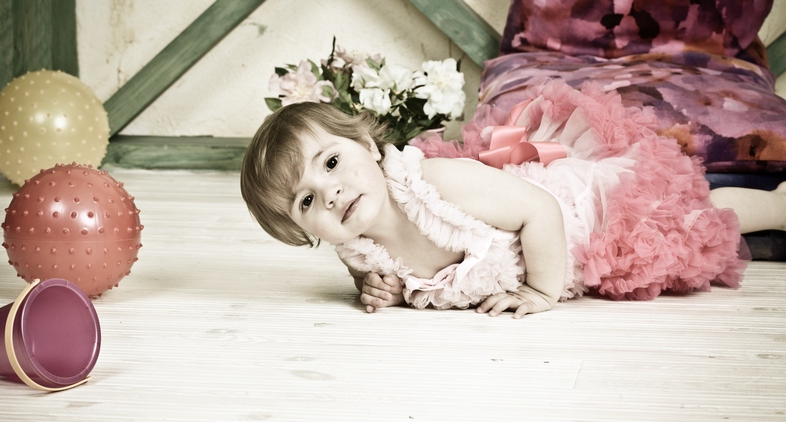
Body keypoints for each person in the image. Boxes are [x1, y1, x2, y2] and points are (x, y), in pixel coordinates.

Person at [241, 80, 786, 318]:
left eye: (330, 163)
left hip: (583, 219)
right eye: (305, 202)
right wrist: (382, 290)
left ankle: (778, 204)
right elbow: (399, 279)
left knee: (689, 223)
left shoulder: (436, 183)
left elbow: (539, 211)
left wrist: (542, 291)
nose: (330, 193)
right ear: (303, 231)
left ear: (365, 143)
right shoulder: (357, 249)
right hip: (547, 232)